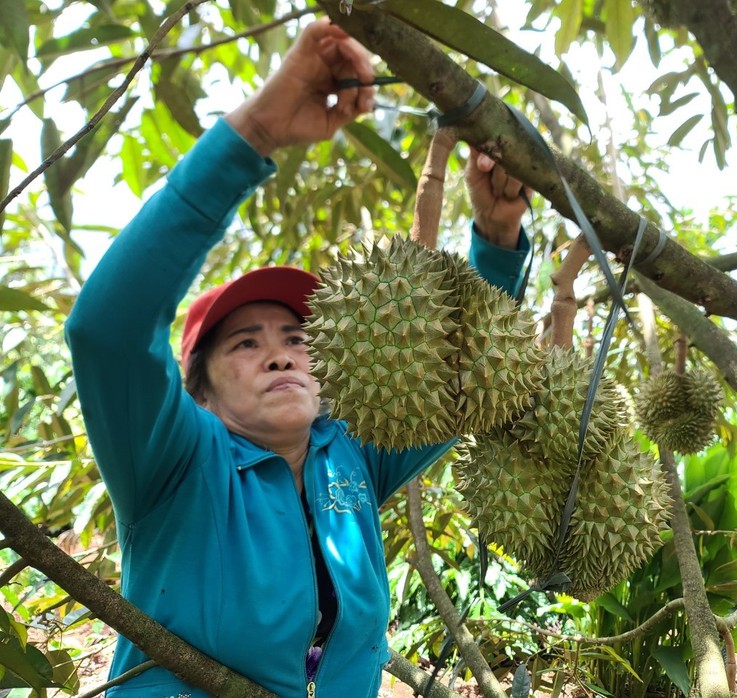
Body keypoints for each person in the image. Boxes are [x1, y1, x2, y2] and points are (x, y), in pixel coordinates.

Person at [64, 19, 531, 698]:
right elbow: (108, 331)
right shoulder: (174, 465)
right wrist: (250, 136)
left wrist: (496, 235)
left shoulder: (352, 455)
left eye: (296, 339)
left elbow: (468, 384)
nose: (280, 356)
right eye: (246, 344)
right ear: (199, 392)